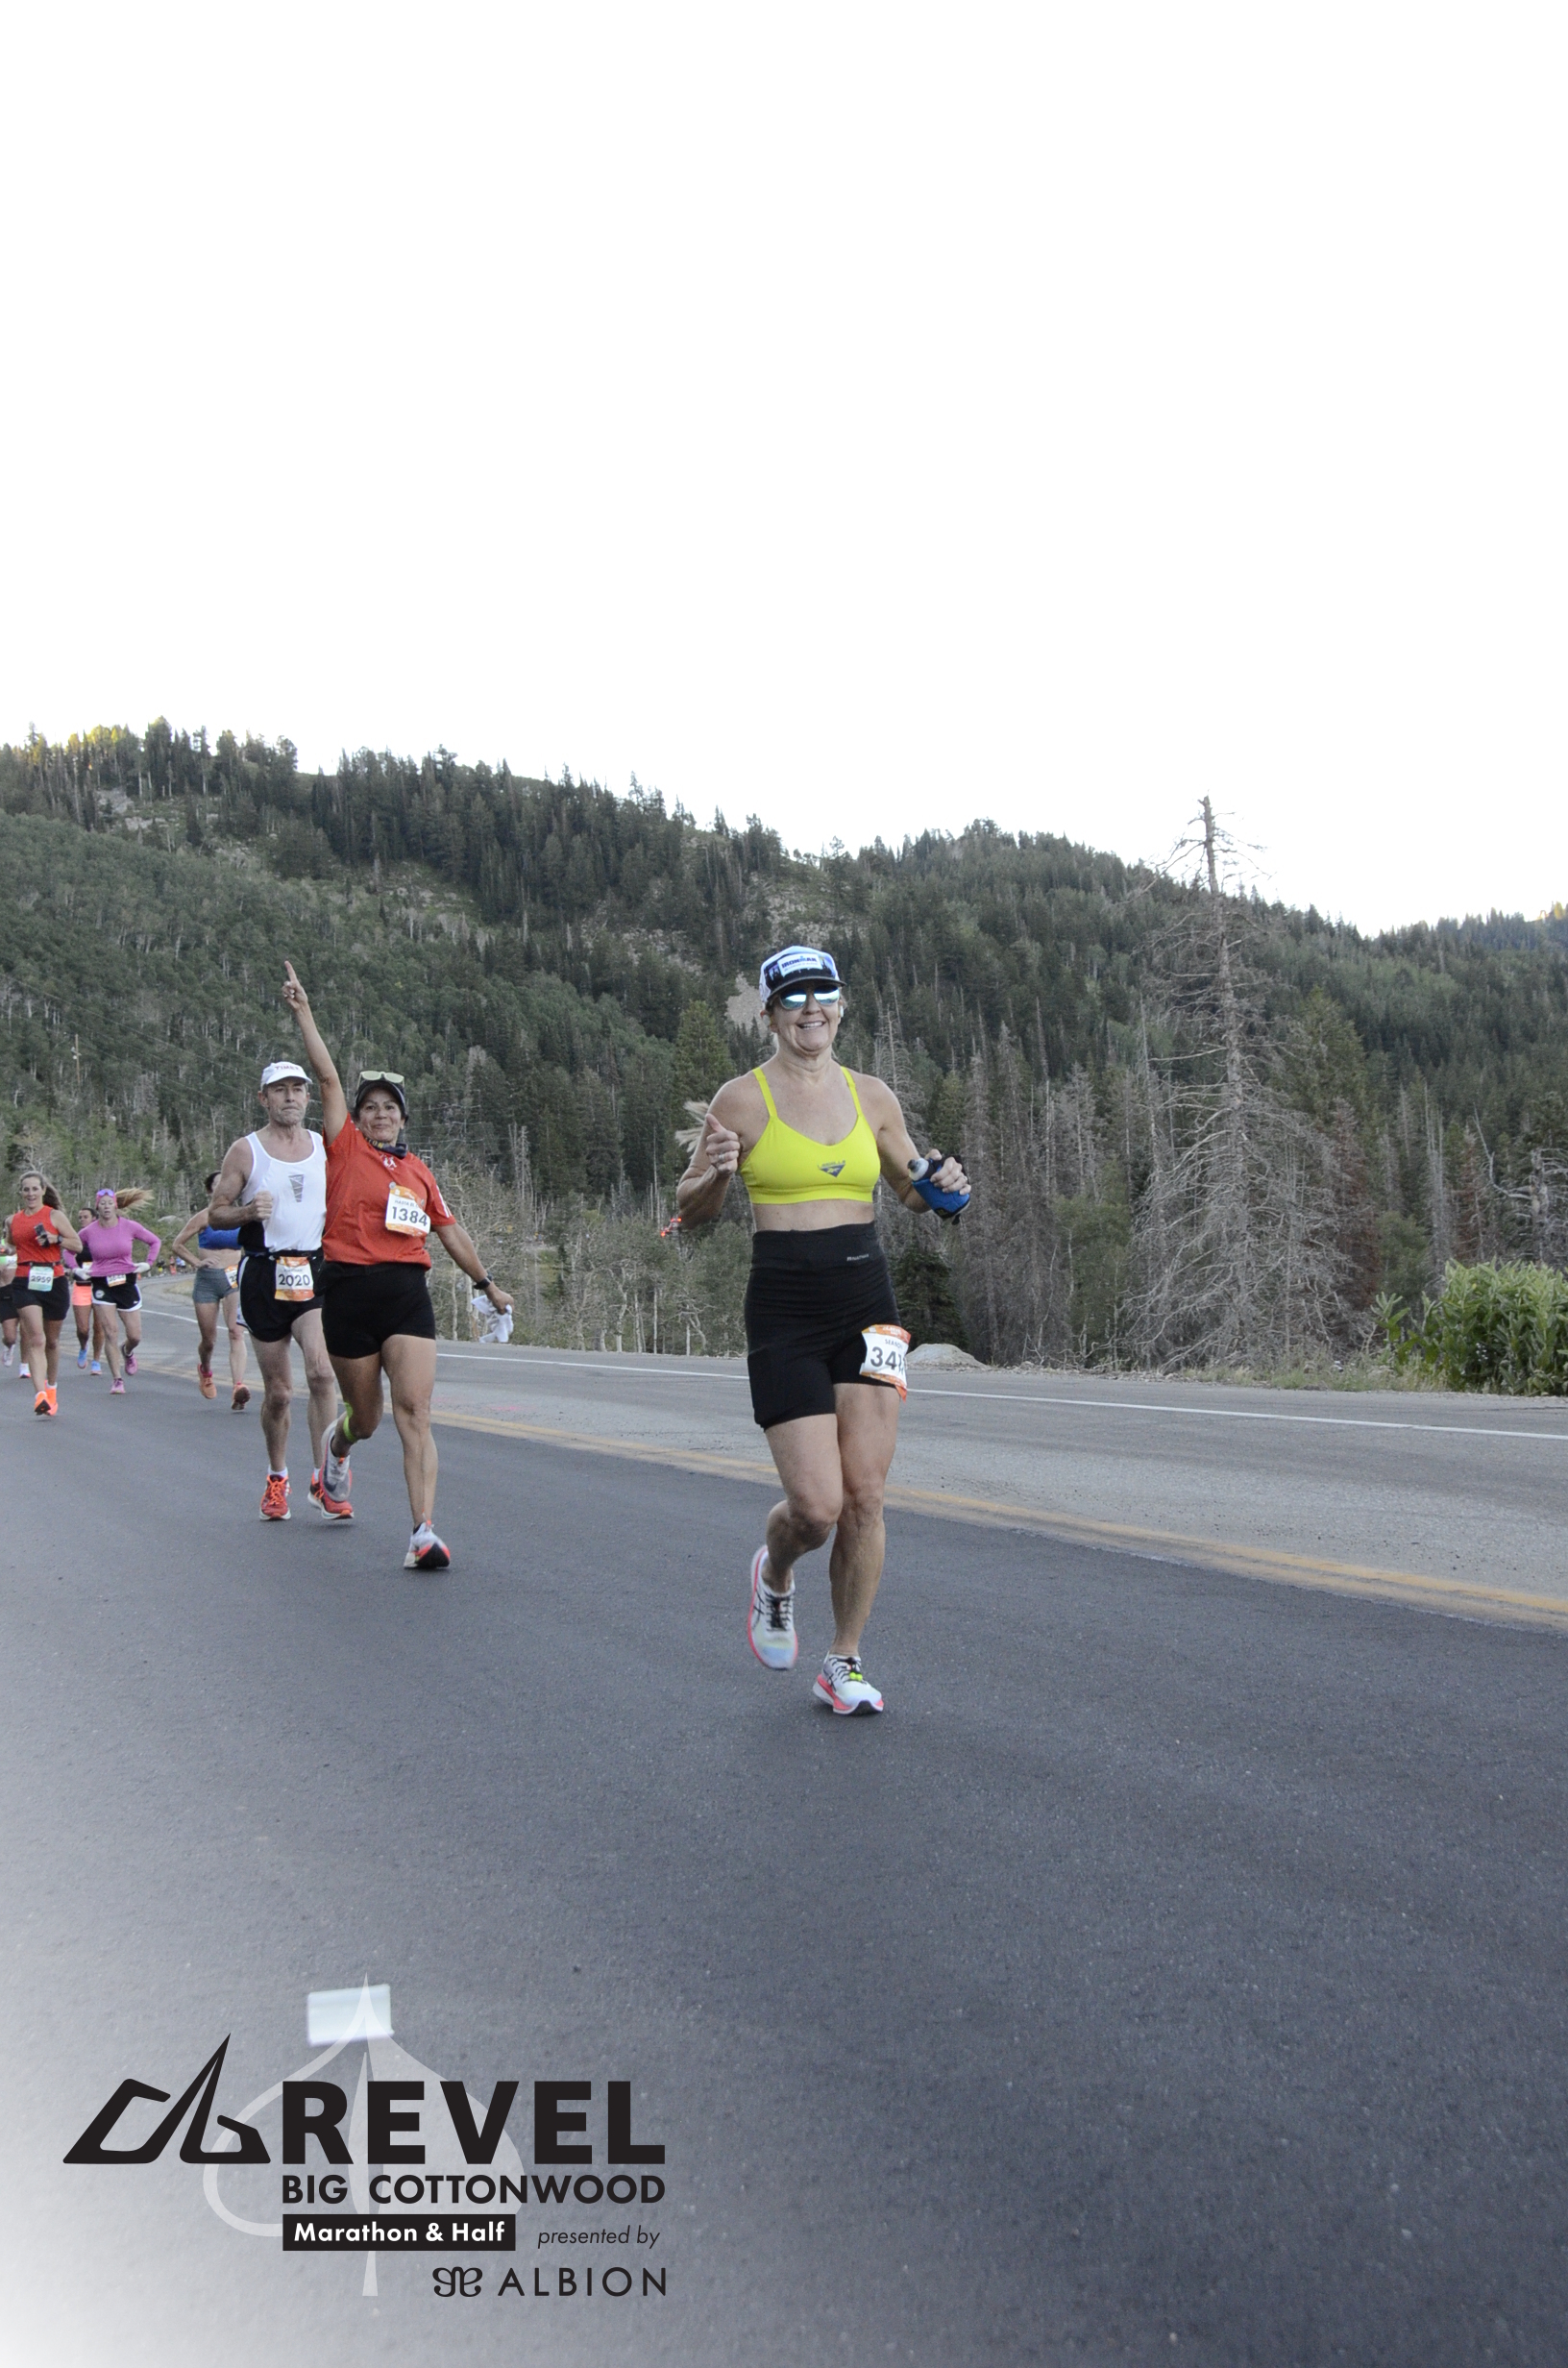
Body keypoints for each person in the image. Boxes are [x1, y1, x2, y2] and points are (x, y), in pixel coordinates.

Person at [675, 945, 970, 1715]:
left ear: (841, 1008)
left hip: (867, 1302)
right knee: (816, 1508)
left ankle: (843, 1660)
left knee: (866, 1496)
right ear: (770, 1015)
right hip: (785, 1307)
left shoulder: (872, 1096)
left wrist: (947, 1188)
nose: (812, 1008)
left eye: (824, 995)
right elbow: (690, 1211)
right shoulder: (741, 1100)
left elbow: (915, 1189)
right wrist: (716, 1174)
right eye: (795, 997)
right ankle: (775, 1573)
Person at [279, 960, 513, 1568]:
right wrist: (304, 1012)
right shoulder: (343, 1149)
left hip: (407, 1293)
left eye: (390, 1107)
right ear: (357, 1118)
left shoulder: (418, 1173)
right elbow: (327, 1079)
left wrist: (486, 1284)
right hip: (348, 1293)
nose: (380, 1114)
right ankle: (336, 1451)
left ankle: (422, 1532)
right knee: (367, 1419)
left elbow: (450, 1230)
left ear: (404, 1118)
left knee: (416, 1411)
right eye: (371, 1107)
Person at [208, 1062, 337, 1520]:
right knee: (279, 1392)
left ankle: (326, 1479)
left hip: (312, 1270)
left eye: (297, 1089)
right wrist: (247, 1213)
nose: (290, 1097)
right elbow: (215, 1214)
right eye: (280, 1090)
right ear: (263, 1098)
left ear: (307, 1097)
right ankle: (277, 1476)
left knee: (321, 1372)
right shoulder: (246, 1151)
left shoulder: (323, 1146)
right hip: (264, 1273)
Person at [6, 1172, 84, 1416]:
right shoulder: (13, 1220)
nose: (30, 1194)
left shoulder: (54, 1215)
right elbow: (11, 1244)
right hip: (24, 1279)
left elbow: (77, 1244)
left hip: (53, 1279)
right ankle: (39, 1395)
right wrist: (7, 1250)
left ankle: (51, 1389)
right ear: (21, 1192)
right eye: (26, 1189)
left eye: (34, 1189)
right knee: (36, 1339)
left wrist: (55, 1238)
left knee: (51, 1341)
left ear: (42, 1190)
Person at [170, 1175, 251, 1409]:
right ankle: (205, 1369)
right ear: (210, 1191)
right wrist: (197, 1262)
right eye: (217, 1185)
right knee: (209, 1340)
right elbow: (177, 1244)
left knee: (236, 1332)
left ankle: (238, 1387)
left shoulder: (241, 1216)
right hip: (208, 1280)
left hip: (234, 1279)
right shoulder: (204, 1216)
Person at [76, 1190, 161, 1394]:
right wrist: (76, 1269)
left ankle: (127, 1351)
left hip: (126, 1282)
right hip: (101, 1283)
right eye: (102, 1203)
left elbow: (155, 1241)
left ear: (115, 1205)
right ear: (97, 1207)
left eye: (109, 1203)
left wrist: (148, 1263)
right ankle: (117, 1379)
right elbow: (69, 1249)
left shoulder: (129, 1226)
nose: (106, 1207)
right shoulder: (89, 1231)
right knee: (110, 1332)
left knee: (135, 1336)